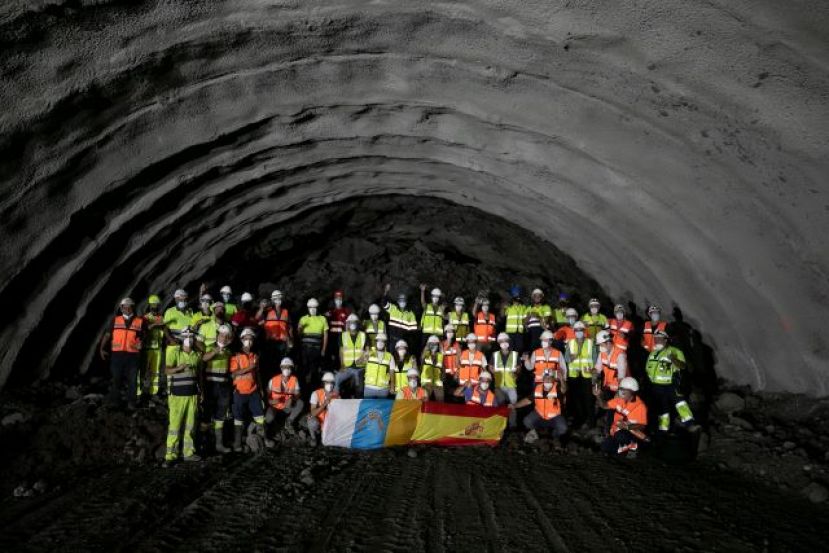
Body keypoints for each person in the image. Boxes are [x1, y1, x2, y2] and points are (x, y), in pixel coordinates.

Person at [163, 327, 201, 466]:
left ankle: (188, 453)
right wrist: (178, 368)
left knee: (190, 425)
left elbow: (199, 375)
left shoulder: (196, 355)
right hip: (177, 395)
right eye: (186, 335)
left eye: (191, 336)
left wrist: (201, 392)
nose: (189, 338)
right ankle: (170, 455)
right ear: (181, 337)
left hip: (192, 395)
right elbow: (166, 370)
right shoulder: (175, 352)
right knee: (175, 426)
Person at [645, 330, 696, 432]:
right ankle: (663, 429)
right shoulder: (653, 353)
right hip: (656, 386)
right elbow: (648, 368)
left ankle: (690, 424)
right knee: (662, 408)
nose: (657, 341)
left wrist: (673, 359)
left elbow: (683, 366)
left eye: (659, 339)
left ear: (666, 340)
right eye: (655, 339)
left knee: (679, 403)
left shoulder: (675, 351)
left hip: (671, 384)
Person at [100, 297, 144, 410]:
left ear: (133, 307)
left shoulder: (139, 321)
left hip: (133, 355)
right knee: (116, 379)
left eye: (129, 307)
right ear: (121, 308)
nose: (127, 309)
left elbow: (141, 337)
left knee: (133, 380)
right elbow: (107, 335)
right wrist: (101, 348)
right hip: (117, 355)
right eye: (125, 307)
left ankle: (131, 403)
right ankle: (115, 401)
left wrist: (141, 344)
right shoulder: (115, 320)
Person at [199, 321, 233, 454]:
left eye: (226, 336)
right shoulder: (209, 347)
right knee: (206, 415)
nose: (223, 338)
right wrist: (216, 350)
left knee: (220, 416)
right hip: (210, 386)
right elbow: (204, 359)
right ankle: (203, 444)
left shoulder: (229, 351)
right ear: (217, 335)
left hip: (224, 388)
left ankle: (219, 445)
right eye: (221, 335)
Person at [229, 328, 266, 452]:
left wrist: (261, 389)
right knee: (238, 418)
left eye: (251, 339)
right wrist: (248, 368)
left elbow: (258, 373)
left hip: (253, 391)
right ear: (241, 340)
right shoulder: (236, 355)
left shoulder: (255, 355)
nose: (248, 341)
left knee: (260, 416)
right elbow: (233, 374)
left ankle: (262, 440)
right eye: (246, 339)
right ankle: (237, 444)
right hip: (239, 391)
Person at [594, 377, 648, 458]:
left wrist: (627, 426)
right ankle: (621, 448)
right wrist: (598, 395)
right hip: (617, 431)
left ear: (631, 392)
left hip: (630, 433)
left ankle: (633, 446)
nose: (620, 392)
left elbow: (642, 426)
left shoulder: (640, 406)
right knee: (605, 447)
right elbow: (605, 406)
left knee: (620, 436)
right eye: (621, 389)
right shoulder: (620, 400)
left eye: (623, 390)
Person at [513, 372, 567, 444]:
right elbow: (527, 400)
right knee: (527, 421)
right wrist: (514, 406)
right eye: (546, 378)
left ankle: (554, 436)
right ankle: (536, 433)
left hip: (555, 415)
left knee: (563, 428)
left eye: (550, 378)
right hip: (539, 413)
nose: (547, 380)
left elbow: (564, 389)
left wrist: (562, 379)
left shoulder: (557, 387)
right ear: (543, 379)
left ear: (553, 379)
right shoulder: (538, 388)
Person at [565, 321, 597, 429]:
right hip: (574, 375)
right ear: (574, 332)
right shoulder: (570, 343)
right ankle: (579, 418)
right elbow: (566, 358)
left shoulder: (590, 343)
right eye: (577, 330)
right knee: (576, 398)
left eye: (581, 330)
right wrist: (572, 357)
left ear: (584, 331)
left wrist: (594, 373)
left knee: (589, 399)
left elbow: (595, 358)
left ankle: (591, 422)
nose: (579, 332)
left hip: (587, 375)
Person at [258, 290, 293, 386]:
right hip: (270, 343)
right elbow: (257, 319)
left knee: (280, 365)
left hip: (282, 343)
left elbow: (289, 327)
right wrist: (261, 308)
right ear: (272, 300)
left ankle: (279, 384)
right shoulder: (267, 311)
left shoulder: (286, 311)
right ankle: (268, 384)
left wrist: (291, 340)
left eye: (279, 298)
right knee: (269, 365)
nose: (278, 300)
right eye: (276, 299)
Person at [266, 358, 304, 436]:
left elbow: (298, 394)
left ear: (292, 369)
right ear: (281, 368)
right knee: (269, 418)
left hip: (287, 407)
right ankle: (273, 425)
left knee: (300, 403)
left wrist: (292, 399)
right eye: (284, 367)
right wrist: (271, 401)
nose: (287, 369)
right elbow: (267, 398)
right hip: (275, 407)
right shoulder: (273, 380)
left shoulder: (294, 379)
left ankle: (289, 422)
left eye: (289, 367)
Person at [297, 298, 328, 391]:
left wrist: (323, 350)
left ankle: (313, 389)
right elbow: (298, 334)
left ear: (317, 308)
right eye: (311, 307)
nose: (313, 309)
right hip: (305, 349)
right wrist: (300, 328)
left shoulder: (322, 319)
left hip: (316, 350)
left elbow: (326, 336)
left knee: (314, 371)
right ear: (308, 308)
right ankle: (303, 389)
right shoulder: (303, 319)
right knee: (304, 370)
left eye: (315, 307)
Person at [335, 314, 367, 398]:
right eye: (350, 322)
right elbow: (341, 351)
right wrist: (342, 365)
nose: (352, 324)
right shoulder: (343, 336)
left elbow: (368, 350)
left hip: (360, 368)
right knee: (337, 378)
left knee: (360, 390)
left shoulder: (363, 335)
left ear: (358, 323)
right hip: (347, 368)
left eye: (354, 322)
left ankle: (358, 404)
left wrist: (363, 358)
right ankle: (335, 399)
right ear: (347, 324)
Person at [141, 295, 166, 397]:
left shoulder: (161, 317)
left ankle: (153, 391)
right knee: (144, 369)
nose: (154, 307)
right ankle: (140, 391)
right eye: (153, 305)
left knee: (155, 371)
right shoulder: (146, 317)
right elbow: (145, 329)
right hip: (147, 348)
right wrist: (155, 324)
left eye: (156, 305)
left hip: (158, 348)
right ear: (150, 306)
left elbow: (164, 331)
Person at [382, 284, 418, 348]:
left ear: (406, 302)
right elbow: (383, 303)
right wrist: (386, 291)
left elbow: (413, 331)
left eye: (404, 300)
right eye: (401, 300)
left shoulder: (410, 314)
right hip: (392, 340)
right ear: (398, 301)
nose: (402, 302)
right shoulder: (393, 308)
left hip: (404, 341)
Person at [306, 372, 339, 445]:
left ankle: (323, 434)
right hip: (318, 421)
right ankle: (313, 437)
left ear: (334, 384)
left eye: (331, 382)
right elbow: (313, 413)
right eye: (327, 382)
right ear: (323, 383)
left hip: (329, 423)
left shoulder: (336, 396)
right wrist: (324, 404)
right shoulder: (316, 394)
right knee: (311, 421)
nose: (329, 385)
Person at [492, 333, 521, 410]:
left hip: (511, 386)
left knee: (513, 407)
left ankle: (512, 422)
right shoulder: (495, 355)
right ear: (498, 343)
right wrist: (493, 372)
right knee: (499, 406)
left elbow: (519, 368)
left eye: (506, 340)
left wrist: (516, 373)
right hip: (499, 386)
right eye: (501, 341)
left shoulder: (515, 354)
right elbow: (490, 366)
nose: (504, 343)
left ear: (509, 341)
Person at [325, 290, 351, 371]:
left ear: (342, 299)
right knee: (331, 353)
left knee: (340, 353)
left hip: (341, 336)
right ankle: (331, 369)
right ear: (334, 299)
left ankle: (340, 368)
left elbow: (347, 325)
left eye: (340, 298)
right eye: (337, 298)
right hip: (331, 336)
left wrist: (347, 337)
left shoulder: (346, 311)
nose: (338, 300)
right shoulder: (330, 311)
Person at [363, 333, 395, 398]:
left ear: (385, 343)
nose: (380, 343)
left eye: (382, 341)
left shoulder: (390, 356)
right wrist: (363, 355)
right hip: (369, 388)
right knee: (368, 407)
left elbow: (392, 373)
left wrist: (392, 386)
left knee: (382, 408)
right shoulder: (369, 353)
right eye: (378, 341)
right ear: (375, 342)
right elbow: (358, 363)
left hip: (383, 389)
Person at [420, 284, 445, 349]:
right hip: (427, 333)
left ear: (439, 298)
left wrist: (444, 297)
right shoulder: (427, 306)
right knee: (425, 350)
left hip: (438, 334)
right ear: (431, 297)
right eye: (434, 296)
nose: (435, 298)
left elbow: (444, 317)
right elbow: (422, 302)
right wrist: (422, 291)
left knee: (437, 351)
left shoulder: (441, 308)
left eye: (437, 297)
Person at [420, 335, 445, 401]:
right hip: (426, 383)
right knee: (424, 402)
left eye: (435, 344)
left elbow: (443, 368)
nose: (434, 346)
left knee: (441, 403)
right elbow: (421, 359)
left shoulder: (440, 355)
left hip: (438, 383)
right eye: (432, 344)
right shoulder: (425, 354)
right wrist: (427, 347)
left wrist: (443, 377)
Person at [503, 286, 527, 353]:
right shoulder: (509, 307)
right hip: (510, 331)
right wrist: (504, 307)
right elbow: (503, 314)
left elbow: (525, 319)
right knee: (510, 348)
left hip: (519, 331)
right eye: (515, 298)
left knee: (520, 347)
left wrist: (526, 328)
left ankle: (517, 361)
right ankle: (511, 361)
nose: (517, 300)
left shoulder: (523, 307)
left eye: (518, 298)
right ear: (512, 299)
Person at [441, 324, 461, 398]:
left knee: (456, 392)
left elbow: (460, 360)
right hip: (446, 374)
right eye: (448, 331)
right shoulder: (442, 344)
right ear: (445, 333)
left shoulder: (457, 345)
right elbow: (441, 360)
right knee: (447, 393)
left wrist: (457, 372)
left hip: (455, 374)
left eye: (451, 331)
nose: (450, 333)